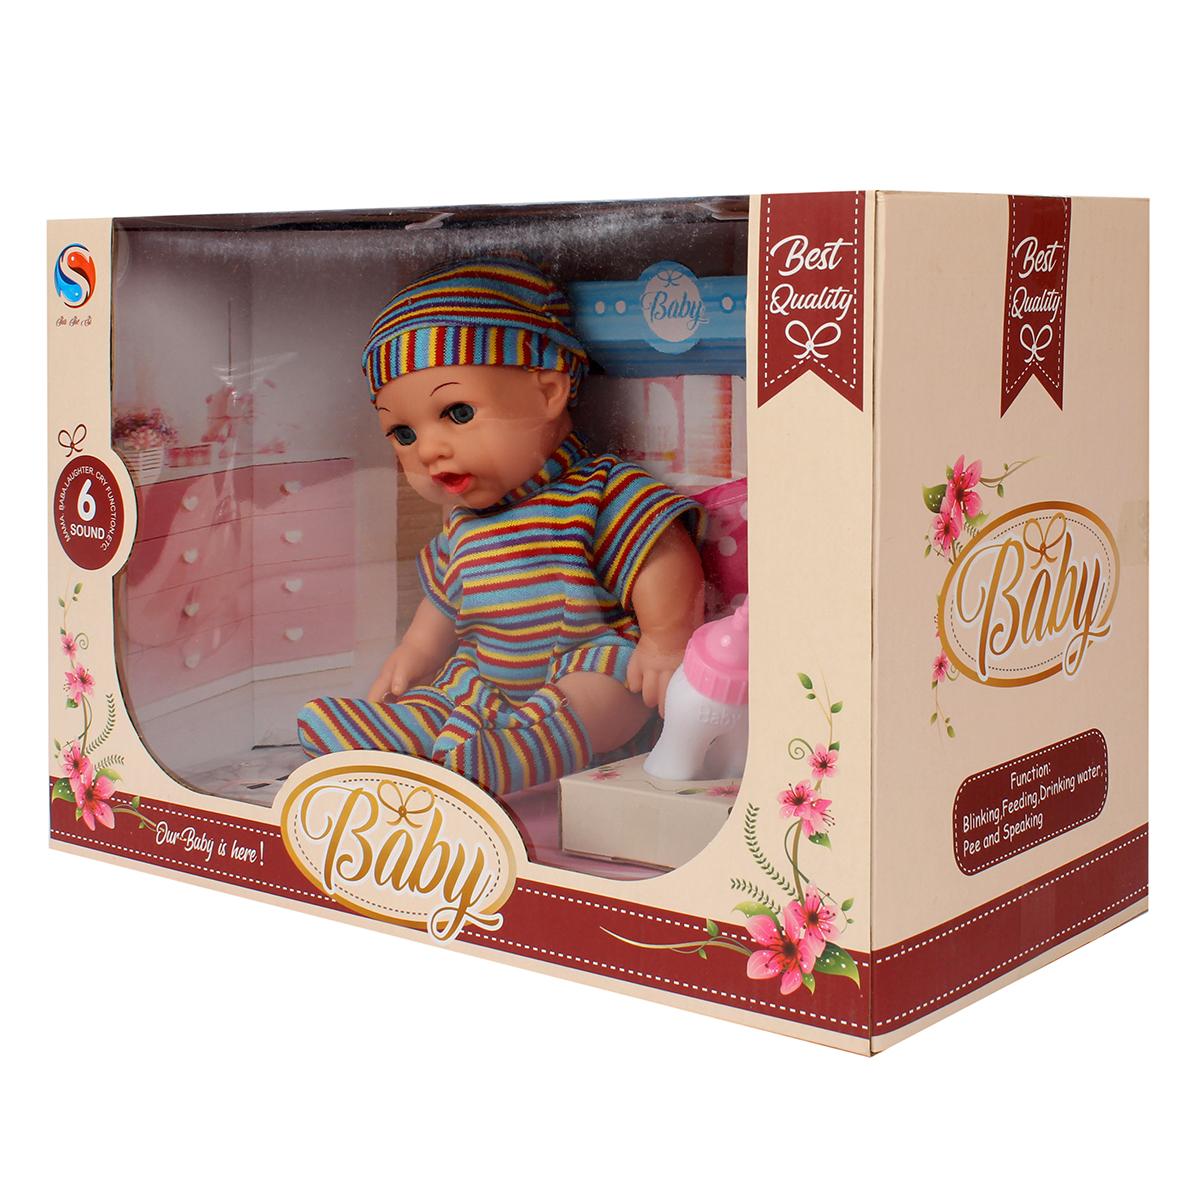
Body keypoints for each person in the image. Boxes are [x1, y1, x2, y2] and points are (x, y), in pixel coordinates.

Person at [297, 257, 705, 794]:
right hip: (489, 679)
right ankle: (410, 733)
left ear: (549, 393)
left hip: (581, 661)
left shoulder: (597, 490)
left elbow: (661, 555)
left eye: (458, 413)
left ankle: (529, 745)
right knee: (453, 688)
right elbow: (444, 604)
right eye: (403, 434)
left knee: (611, 686)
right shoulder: (462, 527)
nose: (429, 449)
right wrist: (413, 654)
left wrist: (666, 640)